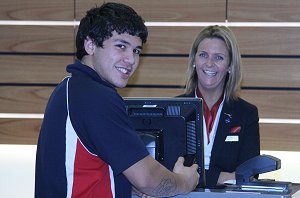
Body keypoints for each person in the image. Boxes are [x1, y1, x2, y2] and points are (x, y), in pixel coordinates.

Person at [35, 2, 199, 198]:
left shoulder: (70, 88)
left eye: (136, 51)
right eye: (121, 46)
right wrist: (185, 181)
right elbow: (149, 180)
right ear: (90, 45)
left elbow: (86, 169)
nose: (131, 60)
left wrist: (127, 184)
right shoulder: (97, 97)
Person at [178, 25, 260, 189]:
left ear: (230, 65)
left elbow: (248, 175)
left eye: (218, 57)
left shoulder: (246, 113)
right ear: (194, 61)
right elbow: (165, 171)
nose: (209, 63)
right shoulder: (175, 110)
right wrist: (224, 176)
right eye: (203, 55)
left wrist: (192, 177)